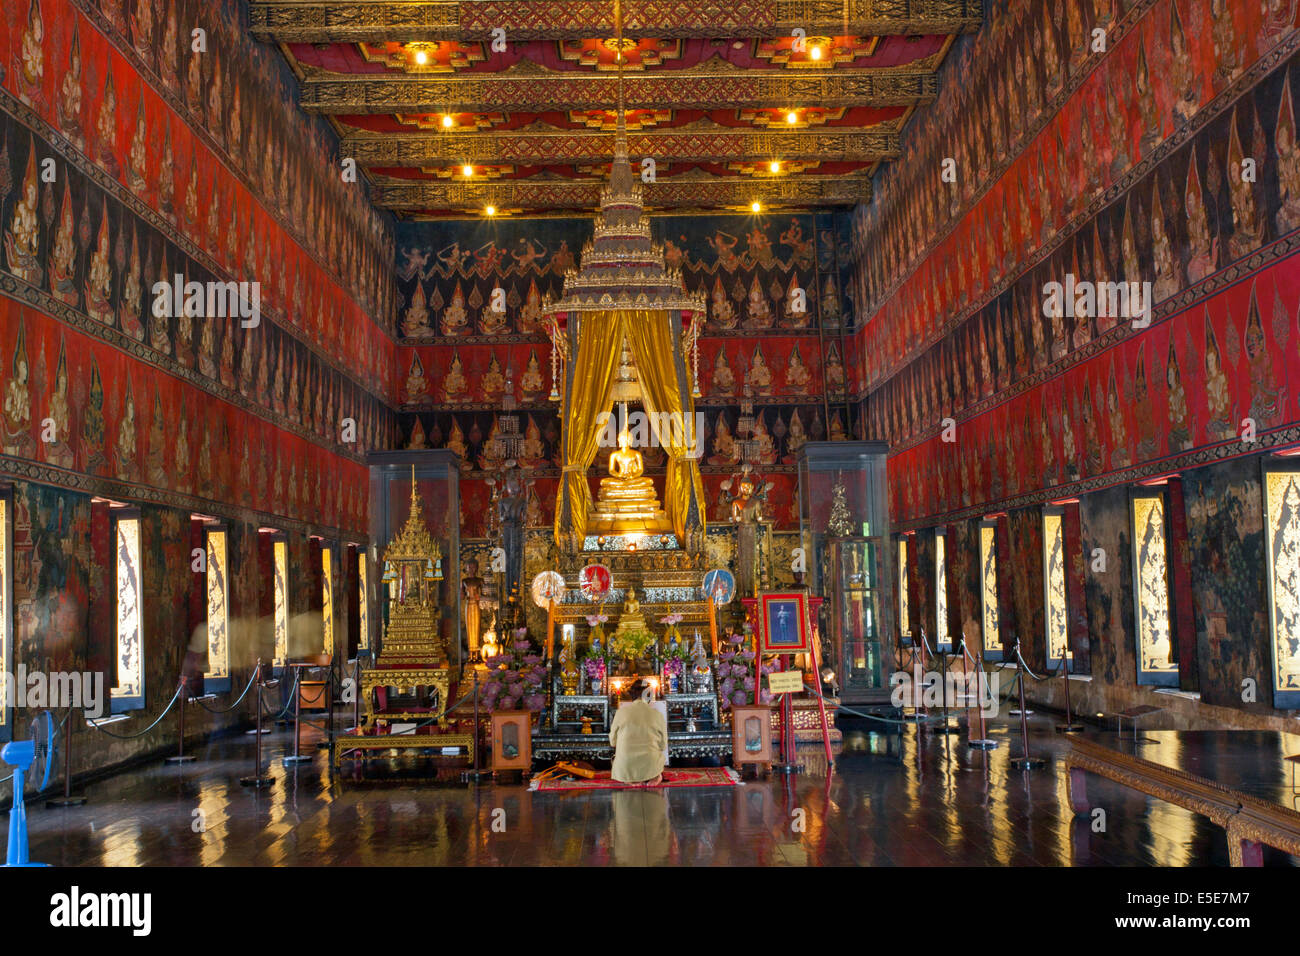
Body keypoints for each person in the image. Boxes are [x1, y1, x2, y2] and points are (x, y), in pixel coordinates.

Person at [608, 679, 668, 786]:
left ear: (631, 695)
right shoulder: (657, 714)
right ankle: (652, 776)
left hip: (626, 765)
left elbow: (612, 742)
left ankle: (631, 777)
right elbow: (663, 745)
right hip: (650, 763)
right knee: (656, 759)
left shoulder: (621, 712)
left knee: (622, 761)